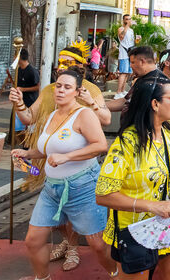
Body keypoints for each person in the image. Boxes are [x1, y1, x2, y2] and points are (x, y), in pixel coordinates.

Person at [10, 68, 114, 280]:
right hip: (52, 189)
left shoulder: (84, 115)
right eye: (58, 86)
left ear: (77, 92)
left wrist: (67, 157)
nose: (60, 90)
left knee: (98, 245)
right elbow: (49, 149)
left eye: (67, 87)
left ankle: (117, 274)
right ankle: (42, 277)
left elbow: (100, 145)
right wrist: (27, 153)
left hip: (83, 187)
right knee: (33, 240)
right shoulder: (52, 115)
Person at [96, 76, 170, 280]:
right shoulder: (126, 144)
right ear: (155, 104)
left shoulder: (169, 131)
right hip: (136, 230)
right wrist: (153, 206)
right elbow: (103, 195)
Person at [14, 48, 40, 133]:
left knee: (30, 129)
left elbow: (38, 87)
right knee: (18, 128)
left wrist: (23, 89)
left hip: (30, 102)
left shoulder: (32, 71)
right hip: (20, 101)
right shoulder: (19, 69)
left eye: (15, 56)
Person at [117, 14, 135, 94]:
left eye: (129, 19)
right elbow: (121, 37)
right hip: (123, 54)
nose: (128, 21)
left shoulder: (131, 31)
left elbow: (131, 42)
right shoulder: (121, 29)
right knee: (123, 73)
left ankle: (122, 90)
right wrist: (126, 26)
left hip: (130, 53)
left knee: (127, 73)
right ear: (123, 20)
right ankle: (118, 92)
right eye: (126, 19)